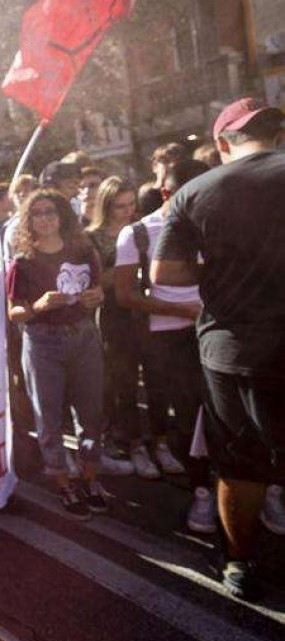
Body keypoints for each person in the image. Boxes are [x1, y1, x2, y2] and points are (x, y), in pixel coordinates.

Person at [152, 98, 285, 600]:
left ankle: (238, 563)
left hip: (234, 349)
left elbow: (164, 275)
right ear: (274, 134)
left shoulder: (194, 192)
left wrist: (219, 273)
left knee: (240, 462)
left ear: (224, 143)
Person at [114, 159, 214, 530]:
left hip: (215, 330)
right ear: (170, 193)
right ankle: (202, 492)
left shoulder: (213, 225)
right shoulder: (137, 233)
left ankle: (262, 491)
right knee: (187, 417)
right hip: (169, 338)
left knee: (232, 414)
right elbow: (125, 296)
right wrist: (181, 310)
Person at [7, 189, 107, 519]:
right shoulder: (23, 262)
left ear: (63, 215)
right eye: (37, 213)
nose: (46, 218)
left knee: (91, 411)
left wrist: (95, 297)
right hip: (43, 341)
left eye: (51, 211)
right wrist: (37, 306)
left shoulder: (83, 250)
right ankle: (63, 481)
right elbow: (14, 313)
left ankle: (90, 477)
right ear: (28, 221)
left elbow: (98, 288)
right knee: (47, 417)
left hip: (84, 336)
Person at [85, 177, 155, 478]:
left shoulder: (141, 230)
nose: (126, 212)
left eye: (131, 205)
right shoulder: (92, 237)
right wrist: (126, 270)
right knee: (122, 382)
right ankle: (132, 442)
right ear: (106, 205)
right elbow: (91, 282)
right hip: (113, 314)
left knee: (156, 380)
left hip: (147, 310)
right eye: (119, 207)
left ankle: (157, 441)